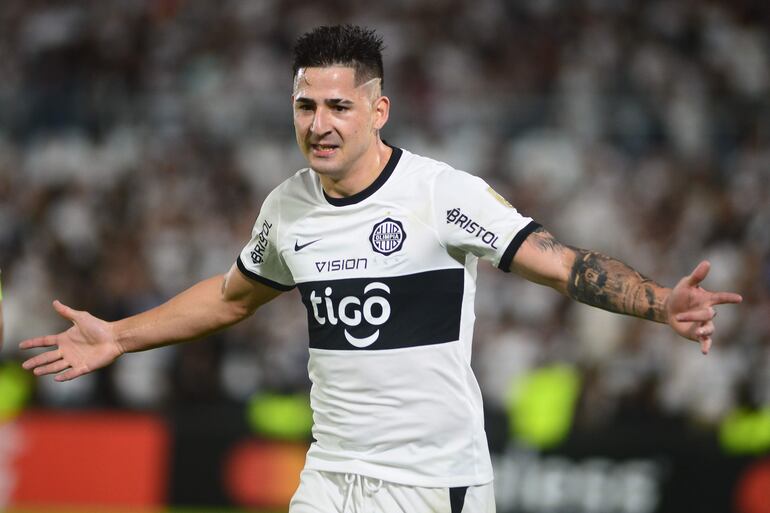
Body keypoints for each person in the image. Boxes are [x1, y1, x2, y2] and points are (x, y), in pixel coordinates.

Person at [20, 25, 742, 513]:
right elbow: (232, 296)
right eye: (306, 105)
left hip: (433, 483)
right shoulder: (288, 207)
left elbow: (556, 263)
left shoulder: (439, 194)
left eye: (339, 105)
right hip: (332, 474)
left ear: (379, 110)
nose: (319, 123)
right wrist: (120, 335)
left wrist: (658, 303)